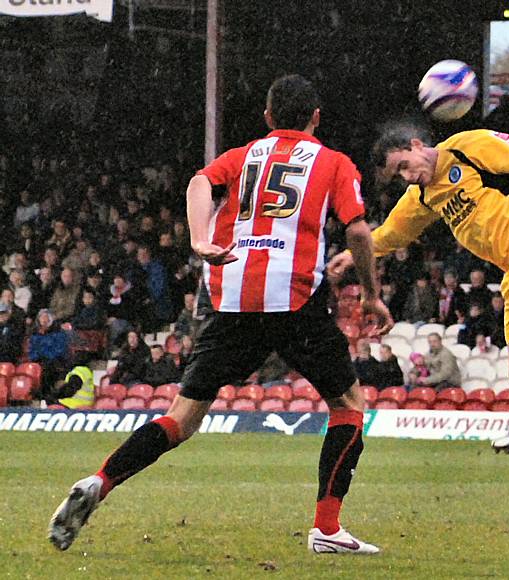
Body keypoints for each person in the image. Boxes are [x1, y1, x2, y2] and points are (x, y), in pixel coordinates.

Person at [49, 74, 393, 555]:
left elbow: (198, 184)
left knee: (182, 418)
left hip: (231, 295)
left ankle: (99, 482)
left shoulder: (243, 155)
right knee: (348, 405)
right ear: (316, 118)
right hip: (294, 299)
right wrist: (372, 295)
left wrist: (197, 239)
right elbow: (357, 231)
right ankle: (327, 529)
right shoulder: (333, 163)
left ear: (268, 117)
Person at [329, 122, 509, 525]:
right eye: (398, 175)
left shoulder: (469, 148)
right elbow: (393, 233)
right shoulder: (424, 196)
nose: (406, 176)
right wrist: (353, 255)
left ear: (417, 145)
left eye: (404, 165)